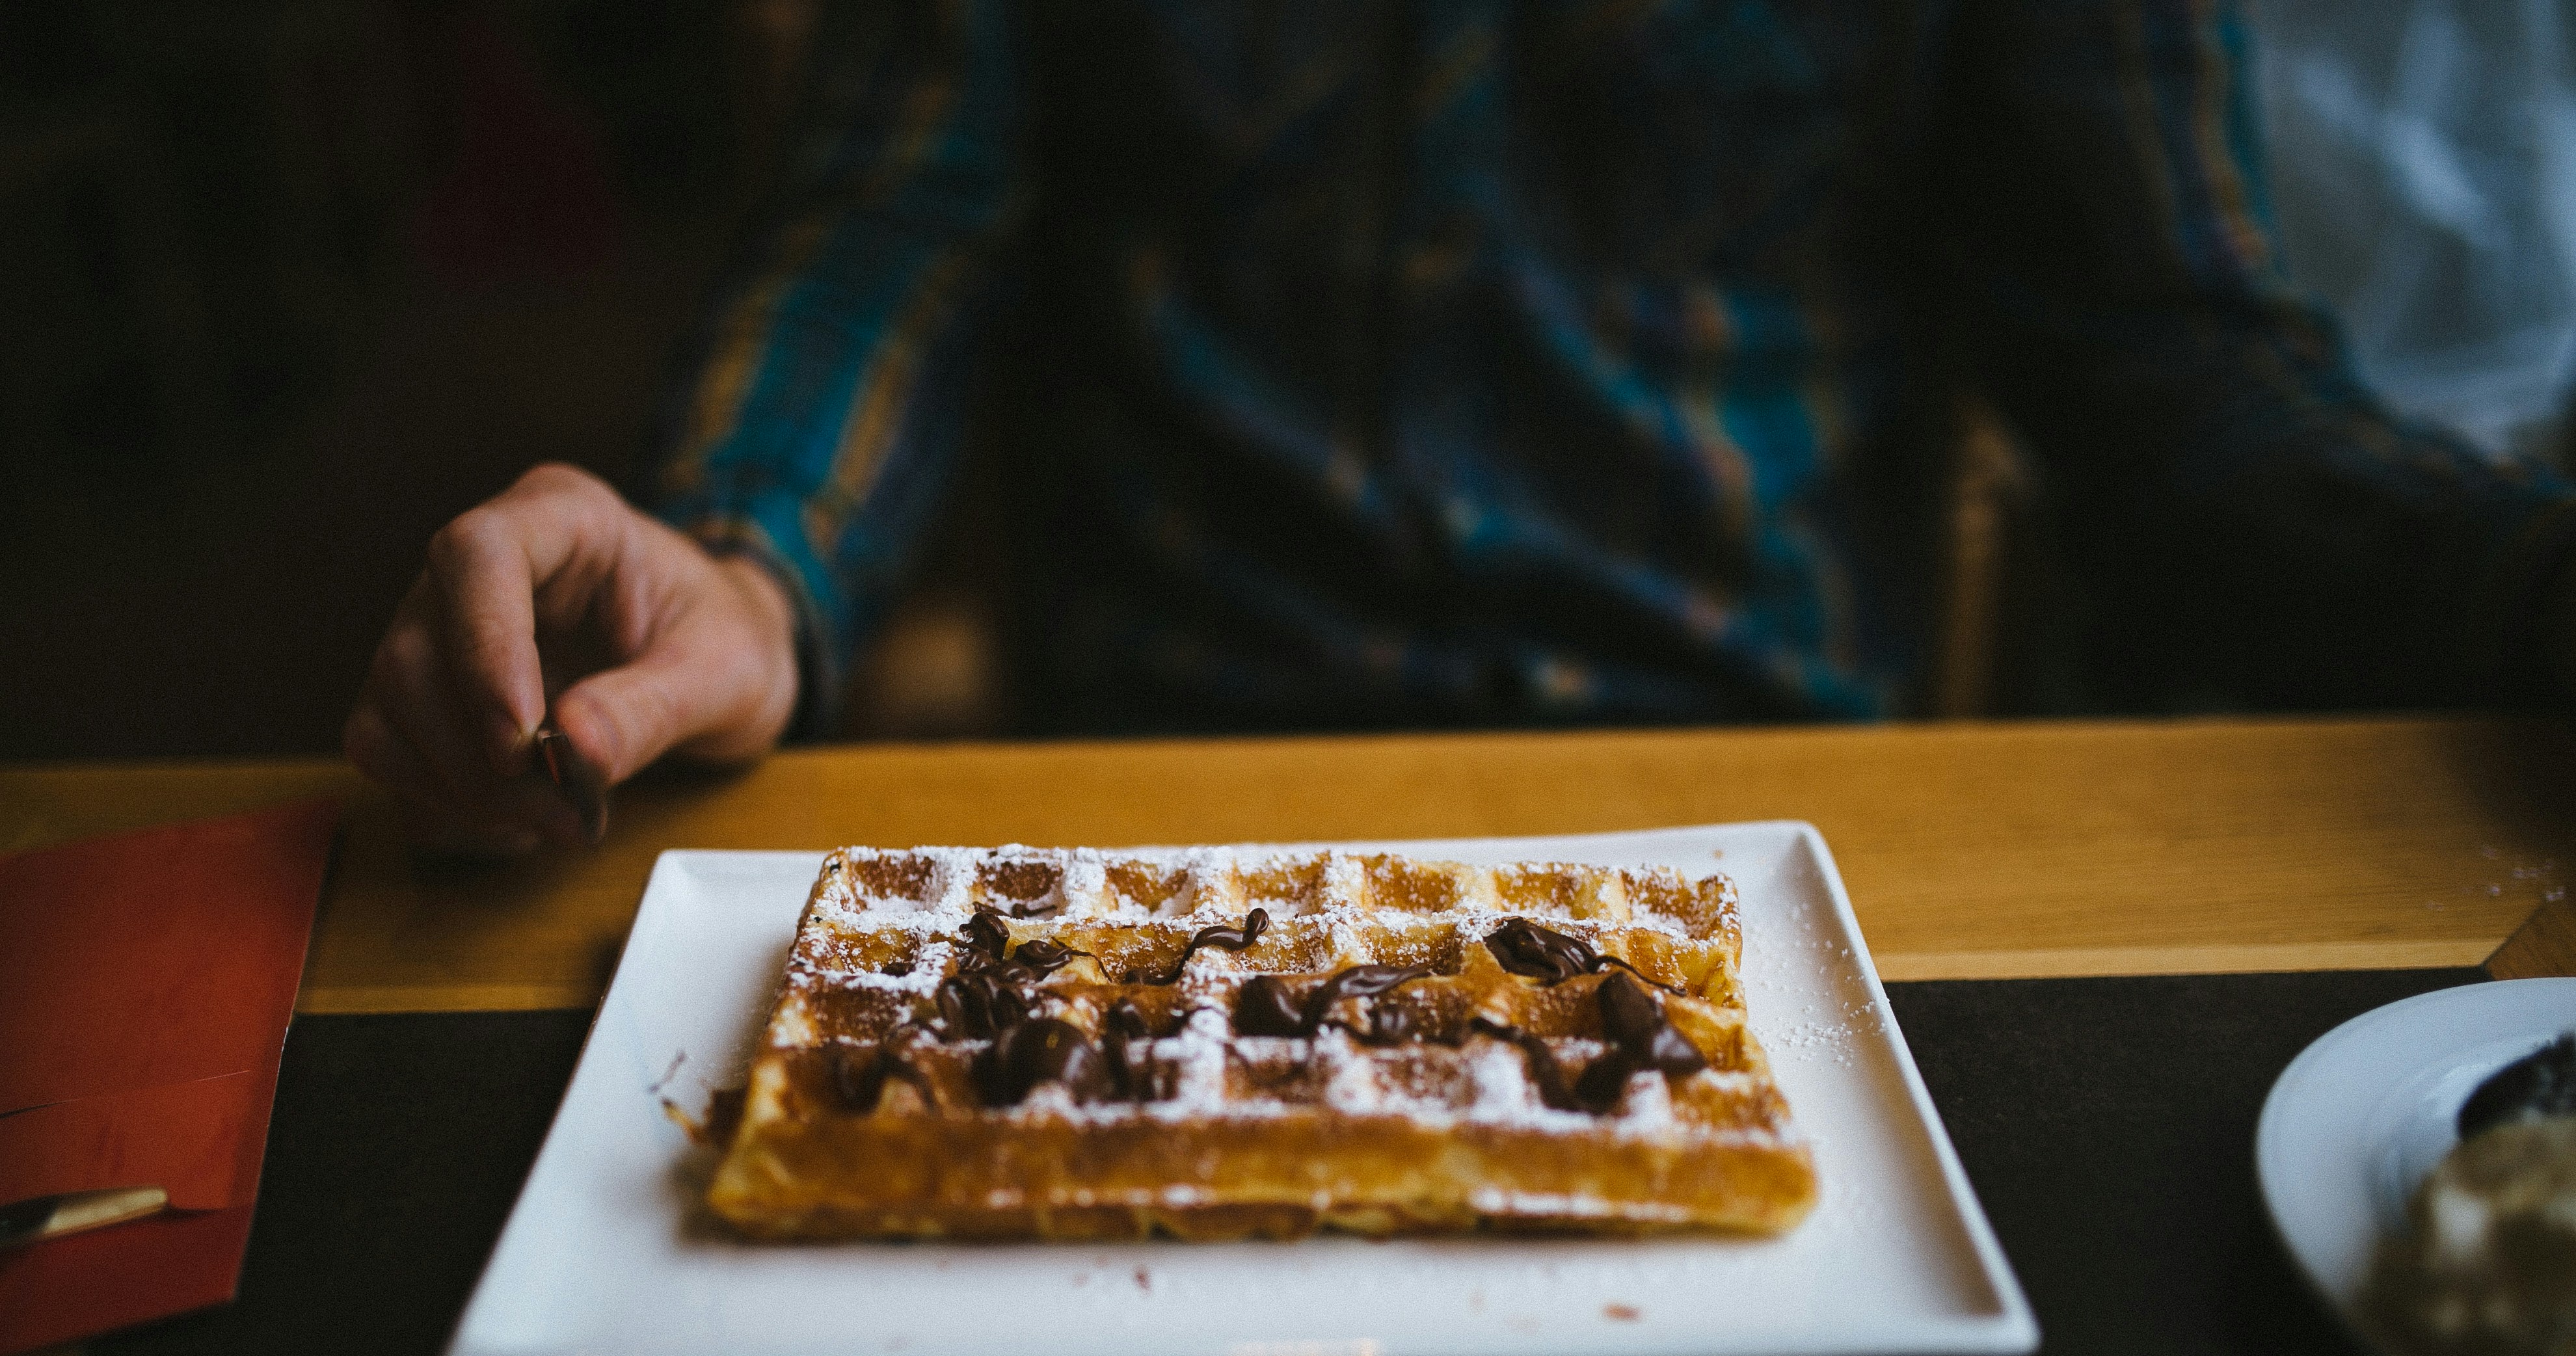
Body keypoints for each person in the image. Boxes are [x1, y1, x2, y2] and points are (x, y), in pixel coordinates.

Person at [347, 1, 2576, 852]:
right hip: (1167, 828)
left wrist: (2511, 586)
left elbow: (2177, 369)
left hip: (1779, 842)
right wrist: (738, 561)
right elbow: (897, 224)